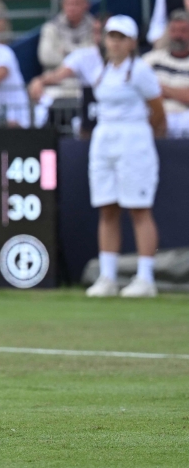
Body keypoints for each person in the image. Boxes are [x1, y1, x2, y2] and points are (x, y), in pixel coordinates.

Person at [83, 16, 167, 298]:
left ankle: (145, 279)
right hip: (104, 139)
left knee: (139, 208)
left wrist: (146, 136)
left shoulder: (141, 71)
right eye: (111, 36)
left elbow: (158, 111)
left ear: (132, 43)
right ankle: (108, 277)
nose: (115, 42)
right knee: (107, 208)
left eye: (121, 37)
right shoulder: (99, 69)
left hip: (134, 139)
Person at [29, 17, 105, 134]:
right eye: (95, 32)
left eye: (103, 32)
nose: (99, 37)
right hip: (92, 113)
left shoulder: (133, 66)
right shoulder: (83, 56)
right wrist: (39, 81)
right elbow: (57, 75)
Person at [142, 10, 189, 138]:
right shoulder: (151, 59)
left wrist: (162, 89)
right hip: (155, 116)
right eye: (174, 30)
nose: (178, 36)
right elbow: (140, 91)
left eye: (183, 31)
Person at [38, 0, 96, 71]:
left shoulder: (95, 26)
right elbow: (46, 57)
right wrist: (80, 55)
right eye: (68, 3)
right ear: (63, 5)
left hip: (87, 79)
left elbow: (96, 55)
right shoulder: (50, 28)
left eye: (76, 3)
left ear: (86, 4)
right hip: (56, 79)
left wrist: (64, 51)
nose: (72, 7)